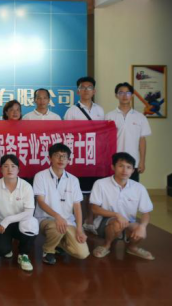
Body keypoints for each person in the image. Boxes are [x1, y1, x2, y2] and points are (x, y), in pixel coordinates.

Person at [90, 152, 154, 260]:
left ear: (133, 170)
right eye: (121, 166)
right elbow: (94, 209)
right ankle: (106, 245)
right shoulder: (100, 184)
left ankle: (132, 247)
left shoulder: (139, 188)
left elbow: (146, 212)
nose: (124, 170)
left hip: (128, 222)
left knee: (140, 230)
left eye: (128, 167)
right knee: (117, 223)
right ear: (113, 167)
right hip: (104, 223)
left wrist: (143, 226)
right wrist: (116, 215)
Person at [33, 143, 90, 265]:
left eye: (64, 156)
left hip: (68, 221)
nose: (61, 159)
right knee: (56, 228)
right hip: (46, 219)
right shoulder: (40, 176)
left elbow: (77, 206)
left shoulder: (73, 180)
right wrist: (57, 216)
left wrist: (79, 229)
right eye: (57, 155)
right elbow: (41, 202)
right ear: (50, 158)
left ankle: (58, 244)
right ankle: (48, 251)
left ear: (69, 160)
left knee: (82, 253)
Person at [63, 77, 105, 232]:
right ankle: (79, 221)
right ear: (78, 91)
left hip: (95, 157)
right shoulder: (72, 111)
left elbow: (103, 134)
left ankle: (90, 221)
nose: (86, 90)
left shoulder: (100, 110)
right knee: (79, 191)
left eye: (89, 87)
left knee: (94, 190)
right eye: (83, 87)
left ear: (94, 91)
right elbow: (67, 135)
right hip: (79, 157)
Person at [0, 154, 38, 272]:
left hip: (21, 223)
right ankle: (7, 246)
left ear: (18, 169)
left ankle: (23, 254)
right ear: (1, 169)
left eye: (13, 166)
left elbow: (29, 212)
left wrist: (8, 220)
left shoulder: (26, 187)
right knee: (0, 250)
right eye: (6, 166)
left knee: (32, 223)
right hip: (2, 225)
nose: (9, 169)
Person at [105, 82, 151, 182]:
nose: (125, 96)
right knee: (113, 188)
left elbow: (142, 140)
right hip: (115, 161)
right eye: (121, 93)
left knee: (132, 188)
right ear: (116, 95)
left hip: (133, 161)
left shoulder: (140, 117)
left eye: (128, 93)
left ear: (132, 95)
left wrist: (142, 161)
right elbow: (105, 141)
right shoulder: (109, 116)